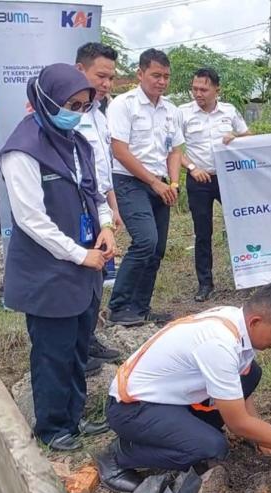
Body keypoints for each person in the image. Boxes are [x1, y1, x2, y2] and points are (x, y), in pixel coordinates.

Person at [96, 283, 271, 492]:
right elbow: (238, 424)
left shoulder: (238, 323)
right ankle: (118, 456)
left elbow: (243, 389)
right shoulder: (219, 343)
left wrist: (261, 436)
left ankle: (178, 431)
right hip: (132, 409)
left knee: (251, 374)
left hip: (171, 399)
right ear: (256, 321)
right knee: (211, 447)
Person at [0, 63, 116, 451]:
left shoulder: (77, 141)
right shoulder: (22, 150)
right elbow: (31, 219)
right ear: (46, 100)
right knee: (53, 352)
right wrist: (79, 255)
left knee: (79, 346)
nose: (78, 112)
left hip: (84, 264)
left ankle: (75, 417)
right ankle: (52, 428)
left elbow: (94, 192)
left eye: (85, 105)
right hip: (49, 270)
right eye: (71, 104)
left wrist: (106, 227)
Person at [106, 48, 184, 326]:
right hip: (129, 181)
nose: (161, 81)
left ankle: (139, 308)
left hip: (160, 184)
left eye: (166, 76)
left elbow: (175, 150)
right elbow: (119, 150)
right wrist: (153, 182)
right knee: (145, 241)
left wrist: (172, 183)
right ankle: (117, 308)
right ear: (140, 74)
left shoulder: (171, 110)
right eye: (155, 75)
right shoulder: (123, 105)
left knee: (158, 248)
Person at [179, 68, 251, 302]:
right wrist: (192, 168)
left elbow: (249, 137)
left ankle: (250, 274)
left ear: (216, 90)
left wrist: (236, 138)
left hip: (228, 179)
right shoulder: (182, 114)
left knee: (242, 224)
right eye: (195, 89)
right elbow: (173, 150)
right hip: (198, 179)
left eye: (203, 89)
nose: (198, 93)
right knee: (203, 232)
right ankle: (205, 283)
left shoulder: (229, 112)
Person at [75, 42, 123, 372]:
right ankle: (76, 348)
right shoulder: (68, 115)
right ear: (81, 71)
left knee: (98, 278)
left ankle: (88, 339)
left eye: (110, 78)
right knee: (78, 276)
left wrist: (112, 208)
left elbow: (102, 169)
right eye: (101, 76)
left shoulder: (100, 114)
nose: (106, 84)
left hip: (100, 208)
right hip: (76, 208)